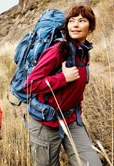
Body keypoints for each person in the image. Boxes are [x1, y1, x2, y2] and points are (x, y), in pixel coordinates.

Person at [24, 5, 102, 166]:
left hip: (71, 119)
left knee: (91, 163)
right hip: (45, 121)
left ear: (91, 27)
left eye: (82, 21)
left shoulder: (83, 51)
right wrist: (63, 78)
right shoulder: (58, 50)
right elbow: (30, 85)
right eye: (71, 21)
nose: (75, 25)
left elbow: (78, 86)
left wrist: (77, 106)